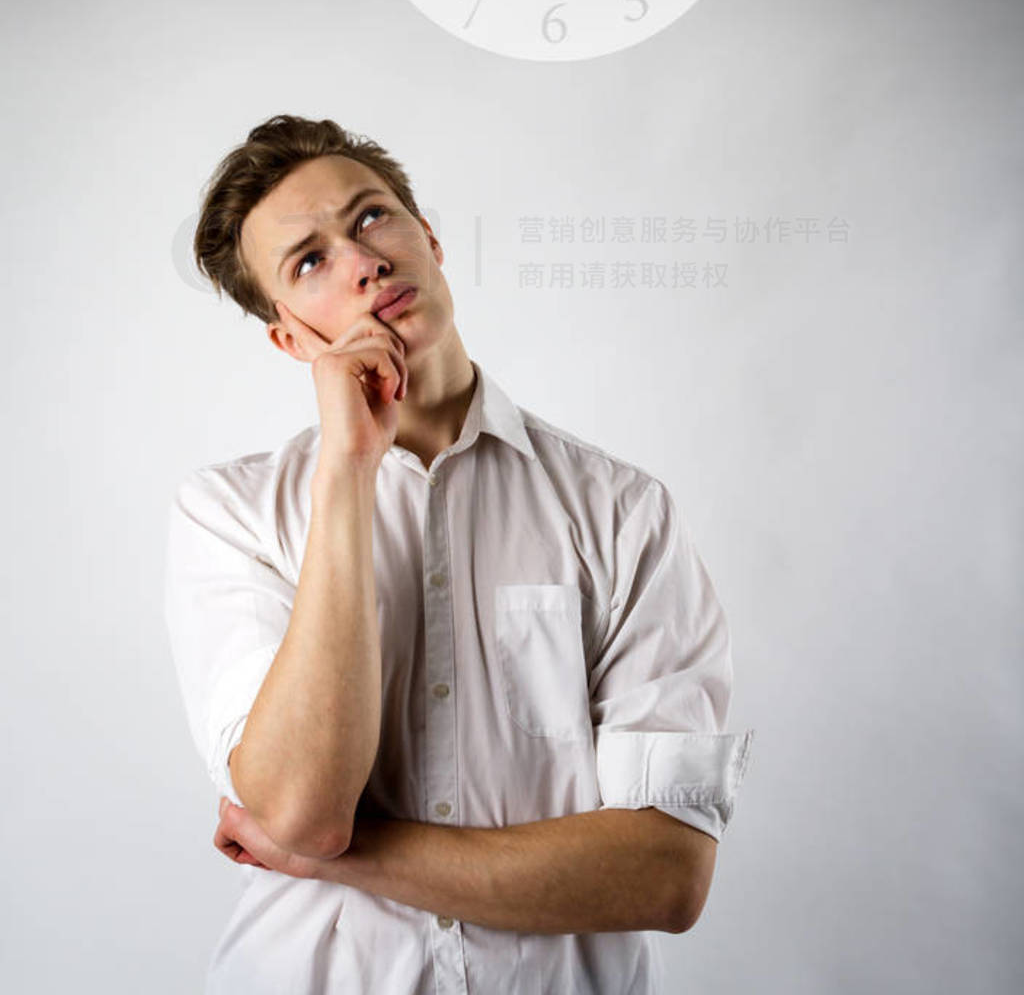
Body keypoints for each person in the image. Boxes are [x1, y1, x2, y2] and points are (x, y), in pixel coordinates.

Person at [163, 113, 755, 995]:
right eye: (311, 261)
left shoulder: (623, 512)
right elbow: (299, 809)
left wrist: (339, 861)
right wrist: (348, 474)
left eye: (370, 218)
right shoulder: (230, 515)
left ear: (428, 237)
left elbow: (665, 874)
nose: (364, 260)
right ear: (289, 337)